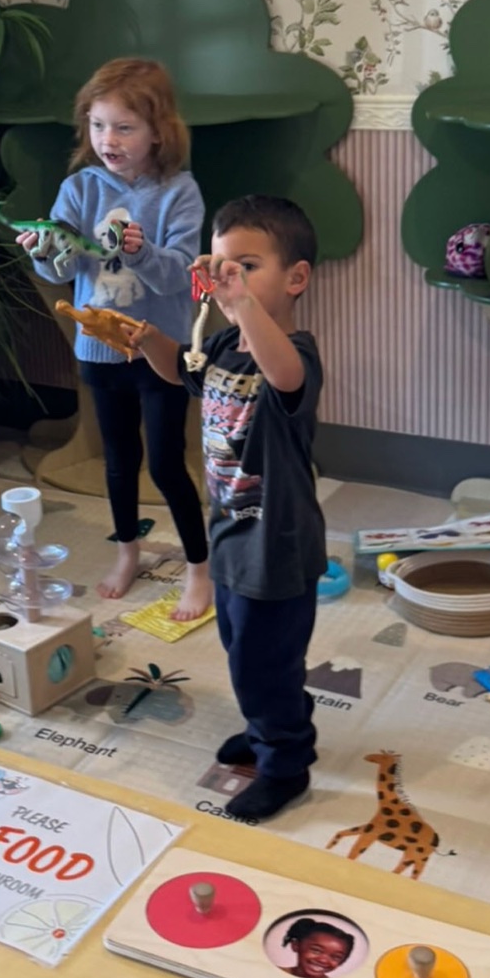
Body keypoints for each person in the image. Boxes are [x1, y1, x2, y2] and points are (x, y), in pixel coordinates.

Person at [129, 194, 324, 824]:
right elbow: (179, 373)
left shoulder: (294, 353)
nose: (228, 277)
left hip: (277, 544)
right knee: (244, 647)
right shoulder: (220, 346)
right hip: (233, 534)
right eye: (221, 265)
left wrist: (240, 305)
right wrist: (148, 340)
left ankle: (285, 764)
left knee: (261, 660)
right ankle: (276, 717)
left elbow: (284, 375)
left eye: (248, 266)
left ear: (295, 278)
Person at [17, 57, 210, 619]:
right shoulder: (78, 188)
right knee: (119, 462)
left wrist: (140, 252)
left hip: (160, 350)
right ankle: (128, 552)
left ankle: (199, 568)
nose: (108, 140)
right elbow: (61, 269)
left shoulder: (180, 192)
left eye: (124, 127)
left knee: (168, 465)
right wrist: (44, 251)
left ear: (159, 132)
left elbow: (180, 276)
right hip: (98, 350)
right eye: (98, 125)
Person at [282, 916, 354, 978]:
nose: (323, 960)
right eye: (316, 950)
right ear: (296, 945)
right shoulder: (277, 974)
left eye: (336, 957)